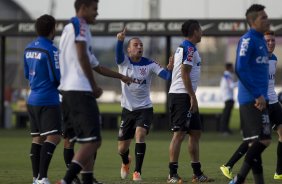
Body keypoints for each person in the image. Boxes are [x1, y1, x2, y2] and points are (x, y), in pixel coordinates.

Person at [56, 0, 131, 184]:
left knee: (84, 140)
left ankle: (87, 180)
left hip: (67, 92)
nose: (97, 13)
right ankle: (66, 180)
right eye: (95, 9)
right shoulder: (80, 25)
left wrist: (120, 76)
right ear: (83, 8)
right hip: (80, 91)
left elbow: (97, 65)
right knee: (93, 142)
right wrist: (93, 86)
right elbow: (81, 56)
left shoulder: (68, 29)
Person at [220, 30, 282, 181]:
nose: (270, 43)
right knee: (257, 140)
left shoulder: (274, 58)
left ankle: (278, 171)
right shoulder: (256, 59)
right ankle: (229, 166)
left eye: (273, 41)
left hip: (274, 102)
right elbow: (245, 75)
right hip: (261, 102)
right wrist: (256, 97)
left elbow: (270, 81)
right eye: (267, 41)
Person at [115, 28, 173, 182]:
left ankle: (137, 172)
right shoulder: (123, 62)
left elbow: (167, 76)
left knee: (140, 135)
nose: (139, 47)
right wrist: (120, 40)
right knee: (121, 148)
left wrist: (170, 69)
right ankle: (126, 161)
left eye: (141, 45)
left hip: (145, 108)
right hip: (127, 109)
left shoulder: (149, 63)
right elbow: (118, 55)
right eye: (135, 45)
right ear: (129, 49)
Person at [228, 4, 271, 184]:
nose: (267, 19)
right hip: (251, 99)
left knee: (255, 144)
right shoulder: (248, 39)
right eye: (263, 17)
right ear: (252, 22)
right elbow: (240, 68)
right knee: (265, 140)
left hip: (260, 98)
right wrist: (257, 95)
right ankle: (239, 179)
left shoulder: (261, 40)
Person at [167, 20, 213, 183]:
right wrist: (192, 96)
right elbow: (185, 73)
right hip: (181, 96)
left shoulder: (186, 47)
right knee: (179, 134)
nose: (202, 33)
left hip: (186, 95)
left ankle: (197, 173)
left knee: (195, 133)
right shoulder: (189, 48)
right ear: (195, 31)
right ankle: (172, 174)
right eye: (200, 30)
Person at [24, 14, 61, 184]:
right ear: (52, 29)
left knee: (37, 138)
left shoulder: (28, 49)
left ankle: (35, 178)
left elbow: (27, 74)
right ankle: (42, 177)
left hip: (32, 99)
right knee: (53, 137)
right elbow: (57, 77)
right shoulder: (51, 50)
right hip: (48, 99)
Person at [219, 63, 236, 135]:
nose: (233, 69)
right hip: (228, 97)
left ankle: (226, 129)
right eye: (232, 67)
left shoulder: (226, 75)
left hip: (228, 97)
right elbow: (231, 85)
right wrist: (241, 83)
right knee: (226, 114)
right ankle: (224, 130)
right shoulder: (227, 76)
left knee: (227, 114)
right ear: (229, 68)